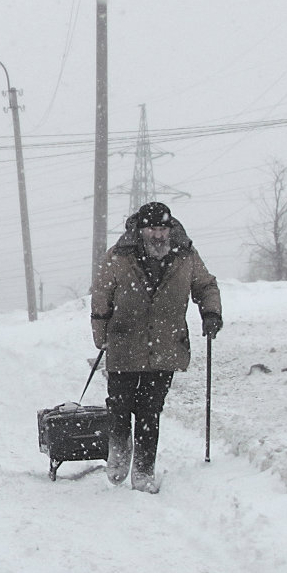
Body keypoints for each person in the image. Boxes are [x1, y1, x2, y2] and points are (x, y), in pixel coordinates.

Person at [91, 201, 222, 493]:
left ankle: (144, 469)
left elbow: (206, 285)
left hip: (166, 343)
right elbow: (102, 297)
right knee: (120, 404)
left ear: (170, 228)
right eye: (152, 228)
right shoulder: (118, 256)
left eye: (163, 228)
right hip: (124, 341)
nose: (158, 235)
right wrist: (101, 336)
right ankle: (120, 447)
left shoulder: (185, 255)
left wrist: (211, 313)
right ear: (140, 229)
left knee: (150, 409)